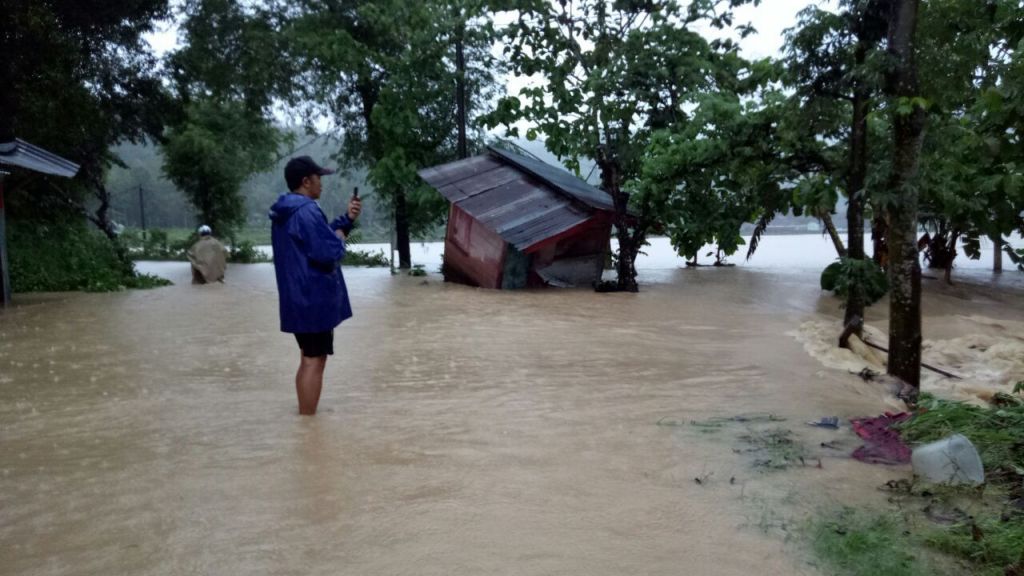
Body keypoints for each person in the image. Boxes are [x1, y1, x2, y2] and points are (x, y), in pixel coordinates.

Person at [269, 156, 361, 415]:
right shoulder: (307, 210)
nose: (321, 183)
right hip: (313, 298)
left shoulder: (286, 211)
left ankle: (305, 423)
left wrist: (346, 220)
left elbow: (316, 238)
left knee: (308, 357)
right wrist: (341, 238)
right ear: (306, 181)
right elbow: (327, 251)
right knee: (314, 360)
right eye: (318, 178)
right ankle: (308, 422)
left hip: (298, 298)